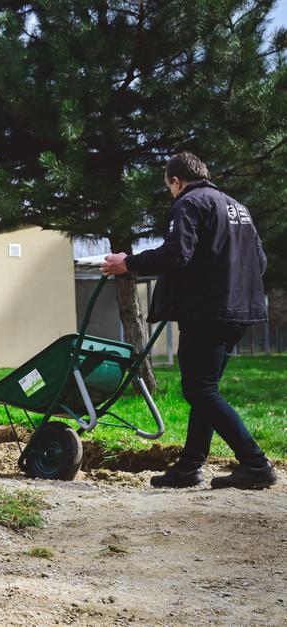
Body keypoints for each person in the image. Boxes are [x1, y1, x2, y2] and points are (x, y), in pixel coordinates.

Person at [101, 151, 276, 490]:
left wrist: (129, 262)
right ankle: (189, 467)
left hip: (207, 312)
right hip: (240, 311)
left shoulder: (190, 203)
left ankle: (255, 463)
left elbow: (176, 254)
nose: (171, 192)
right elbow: (261, 262)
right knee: (204, 390)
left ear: (176, 181)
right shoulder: (238, 207)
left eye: (169, 186)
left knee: (200, 389)